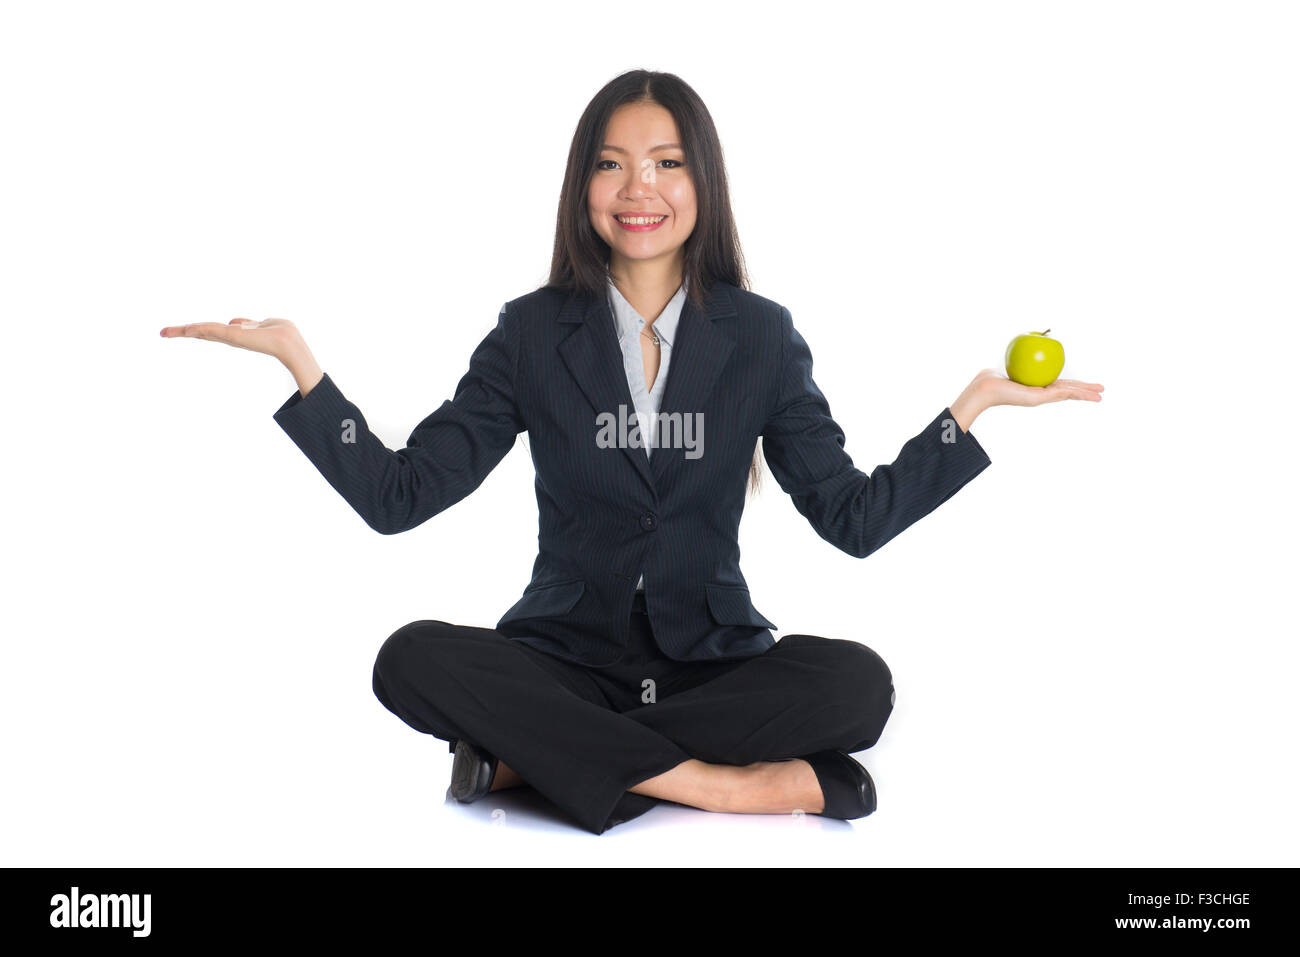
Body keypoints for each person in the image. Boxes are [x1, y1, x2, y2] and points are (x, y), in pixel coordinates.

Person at [160, 70, 1103, 835]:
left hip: (713, 657)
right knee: (409, 658)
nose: (638, 188)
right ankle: (731, 786)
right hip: (564, 653)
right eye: (611, 164)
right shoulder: (531, 334)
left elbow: (851, 519)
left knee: (859, 684)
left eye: (665, 162)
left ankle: (537, 759)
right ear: (584, 187)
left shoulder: (763, 337)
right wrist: (302, 368)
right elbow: (403, 494)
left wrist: (971, 409)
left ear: (704, 183)